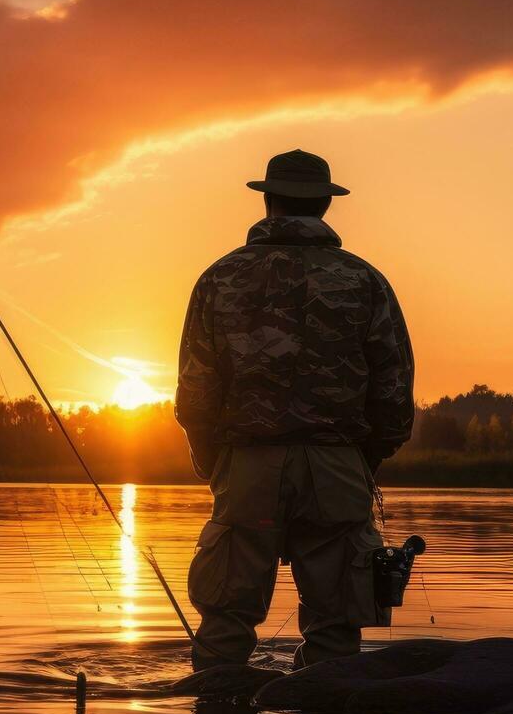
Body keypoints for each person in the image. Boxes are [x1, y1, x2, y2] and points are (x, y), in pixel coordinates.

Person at [175, 149, 413, 670]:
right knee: (336, 627)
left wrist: (215, 465)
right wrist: (360, 464)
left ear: (268, 202)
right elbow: (394, 394)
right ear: (327, 204)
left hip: (246, 464)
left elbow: (194, 394)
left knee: (225, 622)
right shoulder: (365, 281)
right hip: (338, 466)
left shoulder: (220, 279)